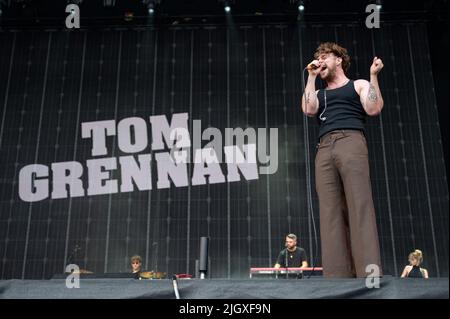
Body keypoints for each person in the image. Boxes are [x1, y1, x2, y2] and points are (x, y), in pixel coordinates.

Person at [301, 42, 384, 278]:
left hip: (351, 141)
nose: (320, 60)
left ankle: (369, 276)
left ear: (338, 59)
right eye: (318, 57)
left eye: (325, 56)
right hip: (325, 147)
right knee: (330, 211)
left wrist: (373, 76)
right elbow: (308, 110)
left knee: (359, 206)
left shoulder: (358, 84)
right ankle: (337, 278)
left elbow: (374, 108)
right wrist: (311, 77)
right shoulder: (318, 92)